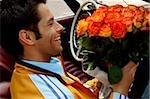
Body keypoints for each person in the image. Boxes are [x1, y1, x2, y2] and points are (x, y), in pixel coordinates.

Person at [0, 0, 138, 98]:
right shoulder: (43, 93)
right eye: (50, 23)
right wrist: (121, 89)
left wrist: (98, 84)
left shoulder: (41, 66)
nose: (60, 27)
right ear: (27, 37)